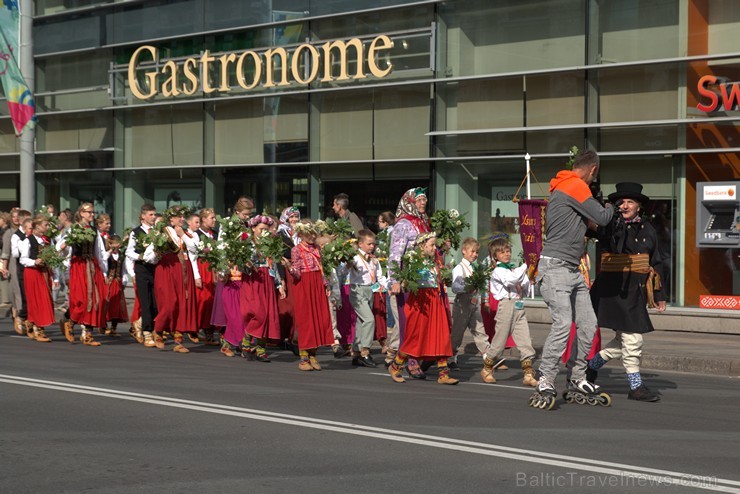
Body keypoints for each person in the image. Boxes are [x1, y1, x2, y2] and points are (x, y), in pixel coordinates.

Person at [530, 149, 614, 409]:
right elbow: (601, 218)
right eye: (593, 177)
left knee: (589, 324)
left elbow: (587, 223)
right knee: (564, 323)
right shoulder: (575, 185)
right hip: (555, 268)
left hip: (571, 269)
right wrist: (611, 205)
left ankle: (577, 377)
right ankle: (545, 378)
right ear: (592, 170)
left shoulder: (562, 188)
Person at [587, 182, 666, 402]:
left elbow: (657, 262)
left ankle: (591, 368)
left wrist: (659, 296)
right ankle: (635, 386)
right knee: (633, 340)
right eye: (621, 202)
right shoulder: (610, 225)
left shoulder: (648, 228)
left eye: (630, 201)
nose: (625, 205)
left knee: (622, 341)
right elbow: (593, 230)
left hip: (637, 291)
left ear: (639, 206)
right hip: (614, 291)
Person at [387, 232, 458, 385]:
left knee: (441, 335)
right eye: (431, 245)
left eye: (434, 245)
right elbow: (408, 282)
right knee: (415, 336)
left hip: (435, 301)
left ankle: (443, 374)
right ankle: (395, 366)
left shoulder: (434, 262)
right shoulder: (414, 260)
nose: (434, 248)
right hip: (421, 301)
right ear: (421, 246)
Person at [479, 237, 537, 387]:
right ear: (495, 255)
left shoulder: (513, 269)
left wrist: (529, 276)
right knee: (499, 340)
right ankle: (487, 368)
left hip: (518, 306)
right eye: (502, 252)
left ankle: (528, 373)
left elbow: (523, 286)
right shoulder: (498, 270)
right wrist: (526, 265)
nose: (506, 254)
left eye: (508, 251)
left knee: (525, 339)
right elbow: (510, 280)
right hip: (505, 306)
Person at [386, 187, 430, 378]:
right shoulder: (403, 225)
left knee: (421, 320)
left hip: (424, 278)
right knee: (408, 322)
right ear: (409, 203)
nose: (423, 204)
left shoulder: (423, 222)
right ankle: (409, 361)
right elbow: (395, 255)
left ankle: (419, 356)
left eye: (424, 200)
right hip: (408, 277)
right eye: (419, 200)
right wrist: (395, 280)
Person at [58, 203, 107, 347]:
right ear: (81, 213)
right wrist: (63, 249)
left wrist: (103, 271)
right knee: (81, 300)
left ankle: (87, 335)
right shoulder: (73, 230)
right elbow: (61, 248)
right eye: (89, 212)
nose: (92, 214)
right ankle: (71, 322)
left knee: (95, 299)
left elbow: (100, 251)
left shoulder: (94, 230)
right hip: (78, 266)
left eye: (93, 212)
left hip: (92, 265)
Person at [152, 205, 199, 353]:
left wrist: (182, 235)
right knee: (170, 303)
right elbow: (150, 254)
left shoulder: (187, 233)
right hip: (167, 269)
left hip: (184, 270)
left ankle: (178, 340)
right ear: (171, 218)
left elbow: (194, 249)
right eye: (179, 216)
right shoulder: (162, 232)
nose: (182, 219)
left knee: (184, 304)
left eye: (183, 216)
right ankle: (158, 329)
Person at [289, 222, 334, 371]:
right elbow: (296, 273)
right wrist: (289, 268)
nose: (313, 236)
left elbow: (322, 268)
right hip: (304, 285)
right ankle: (303, 357)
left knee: (320, 319)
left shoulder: (317, 248)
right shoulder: (296, 250)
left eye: (315, 234)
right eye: (310, 233)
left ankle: (313, 354)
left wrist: (326, 284)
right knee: (306, 319)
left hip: (316, 283)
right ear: (301, 234)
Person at [240, 215, 285, 362]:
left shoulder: (269, 244)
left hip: (267, 279)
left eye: (266, 229)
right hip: (253, 279)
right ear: (253, 229)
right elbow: (241, 264)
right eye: (261, 229)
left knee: (267, 314)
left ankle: (260, 349)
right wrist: (247, 265)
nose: (263, 232)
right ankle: (246, 342)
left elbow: (273, 266)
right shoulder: (247, 243)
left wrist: (279, 284)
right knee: (257, 312)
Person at [344, 229, 387, 367]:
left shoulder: (373, 259)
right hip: (357, 289)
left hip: (370, 290)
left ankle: (356, 352)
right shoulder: (355, 258)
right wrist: (347, 266)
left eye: (373, 244)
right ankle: (365, 351)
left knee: (361, 321)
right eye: (369, 244)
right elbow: (343, 271)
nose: (372, 246)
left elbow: (379, 276)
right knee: (369, 319)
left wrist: (389, 286)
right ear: (360, 244)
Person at [449, 237, 491, 369]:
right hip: (462, 304)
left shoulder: (475, 268)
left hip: (474, 303)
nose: (475, 255)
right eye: (472, 251)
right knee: (457, 332)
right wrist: (468, 287)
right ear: (464, 251)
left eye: (477, 252)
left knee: (479, 330)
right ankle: (450, 357)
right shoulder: (458, 268)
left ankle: (488, 356)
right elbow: (455, 287)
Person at [18, 214, 58, 342]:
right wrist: (35, 261)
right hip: (33, 273)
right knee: (36, 300)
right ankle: (38, 329)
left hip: (44, 272)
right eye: (45, 225)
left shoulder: (47, 240)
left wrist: (55, 276)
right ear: (36, 226)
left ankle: (32, 322)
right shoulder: (27, 241)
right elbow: (23, 259)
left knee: (45, 299)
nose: (47, 227)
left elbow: (53, 259)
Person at [126, 204, 159, 347]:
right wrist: (140, 257)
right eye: (151, 215)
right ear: (143, 216)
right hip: (142, 269)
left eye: (154, 215)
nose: (153, 217)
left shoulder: (157, 232)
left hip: (155, 269)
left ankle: (139, 323)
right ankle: (147, 332)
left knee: (156, 303)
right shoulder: (136, 232)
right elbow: (129, 252)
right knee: (145, 302)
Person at [195, 208, 219, 345]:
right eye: (212, 218)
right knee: (203, 298)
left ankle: (210, 331)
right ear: (203, 219)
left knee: (213, 299)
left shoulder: (215, 234)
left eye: (214, 217)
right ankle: (199, 327)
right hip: (202, 267)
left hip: (213, 267)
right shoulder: (196, 234)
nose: (214, 220)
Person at [104, 234, 129, 336]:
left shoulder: (121, 255)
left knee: (117, 306)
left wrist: (124, 280)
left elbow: (123, 269)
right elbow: (103, 263)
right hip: (108, 282)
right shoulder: (107, 254)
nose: (117, 246)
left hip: (117, 282)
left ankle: (113, 328)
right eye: (115, 243)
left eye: (118, 244)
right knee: (107, 303)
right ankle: (104, 326)